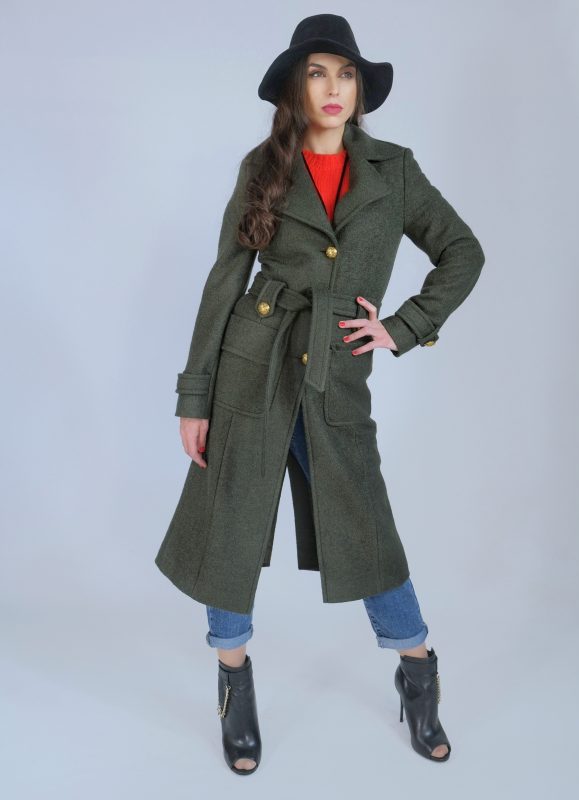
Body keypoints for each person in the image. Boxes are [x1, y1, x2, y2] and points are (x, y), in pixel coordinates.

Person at [155, 14, 485, 775]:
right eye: (317, 73)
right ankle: (233, 681)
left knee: (364, 519)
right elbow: (225, 278)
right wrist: (195, 395)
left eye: (345, 74)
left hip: (336, 371)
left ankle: (417, 669)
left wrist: (402, 328)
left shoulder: (395, 170)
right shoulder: (264, 166)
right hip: (254, 360)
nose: (333, 88)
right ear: (295, 89)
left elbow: (462, 252)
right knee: (232, 518)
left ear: (360, 88)